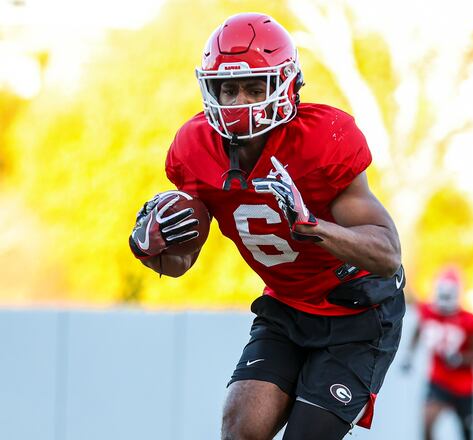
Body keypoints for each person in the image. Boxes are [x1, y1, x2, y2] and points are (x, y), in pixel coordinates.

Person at [127, 13, 405, 440]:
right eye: (230, 88)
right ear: (210, 89)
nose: (241, 102)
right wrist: (149, 247)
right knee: (241, 427)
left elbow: (388, 255)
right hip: (287, 306)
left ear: (287, 85)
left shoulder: (325, 138)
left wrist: (315, 226)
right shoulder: (193, 148)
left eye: (255, 87)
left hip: (358, 309)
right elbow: (180, 262)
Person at [401, 268, 473, 440]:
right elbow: (418, 330)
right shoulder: (428, 311)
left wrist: (460, 359)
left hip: (464, 386)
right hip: (438, 380)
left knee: (467, 433)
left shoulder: (469, 320)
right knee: (427, 422)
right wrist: (409, 355)